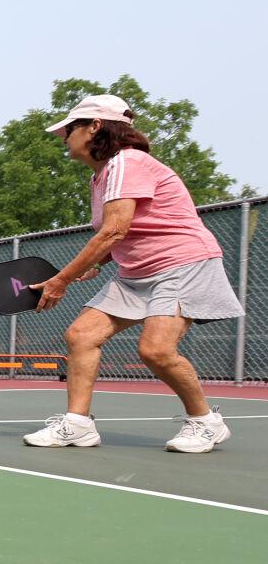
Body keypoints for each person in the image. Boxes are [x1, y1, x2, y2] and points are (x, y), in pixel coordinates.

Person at [22, 94, 243, 453]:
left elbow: (114, 230)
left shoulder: (128, 162)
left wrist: (62, 279)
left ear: (95, 127)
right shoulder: (101, 177)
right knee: (81, 335)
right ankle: (78, 425)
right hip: (137, 272)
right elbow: (129, 232)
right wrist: (97, 263)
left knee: (156, 350)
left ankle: (206, 422)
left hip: (182, 263)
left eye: (70, 129)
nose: (64, 137)